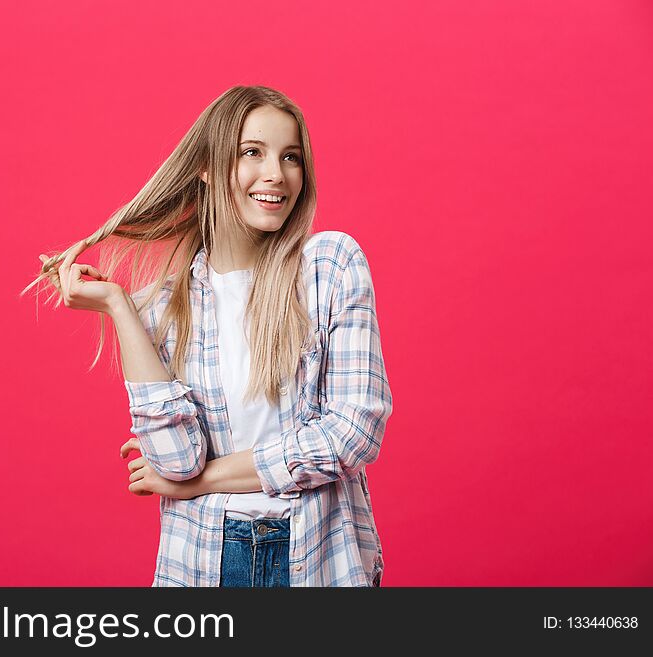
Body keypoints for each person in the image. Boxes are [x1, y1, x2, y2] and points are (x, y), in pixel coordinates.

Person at [22, 85, 393, 587]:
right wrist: (119, 309)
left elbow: (353, 433)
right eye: (251, 153)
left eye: (291, 157)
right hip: (204, 562)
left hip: (319, 559)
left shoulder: (329, 266)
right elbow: (175, 459)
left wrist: (202, 480)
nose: (276, 175)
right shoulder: (162, 309)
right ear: (207, 166)